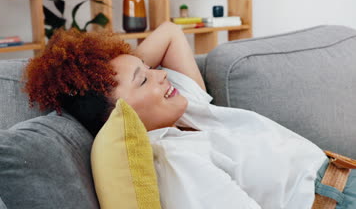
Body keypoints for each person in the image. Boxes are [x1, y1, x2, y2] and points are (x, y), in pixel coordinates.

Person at [23, 22, 356, 209]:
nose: (162, 75)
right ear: (120, 117)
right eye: (145, 79)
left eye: (150, 69)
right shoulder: (174, 160)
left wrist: (117, 71)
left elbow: (170, 33)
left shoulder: (185, 107)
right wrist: (108, 93)